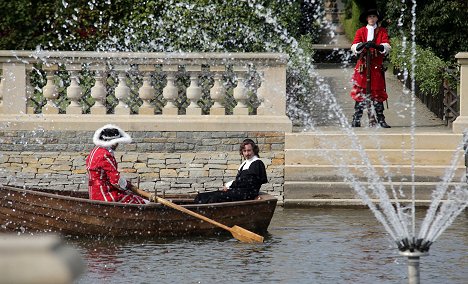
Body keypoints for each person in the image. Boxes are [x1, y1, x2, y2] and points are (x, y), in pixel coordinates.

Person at [86, 124, 150, 204]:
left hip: (94, 193)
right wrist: (129, 186)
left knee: (131, 195)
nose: (117, 145)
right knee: (141, 202)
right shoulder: (105, 155)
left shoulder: (95, 151)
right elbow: (115, 181)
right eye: (117, 142)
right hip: (105, 195)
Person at [350, 8, 391, 128]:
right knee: (359, 92)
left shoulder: (382, 31)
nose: (371, 19)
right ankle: (356, 119)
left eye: (373, 17)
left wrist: (377, 46)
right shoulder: (361, 31)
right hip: (363, 67)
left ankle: (381, 119)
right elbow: (354, 46)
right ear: (367, 19)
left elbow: (387, 46)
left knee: (378, 92)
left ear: (377, 18)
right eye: (369, 17)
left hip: (376, 67)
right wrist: (361, 45)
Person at [194, 139, 268, 204]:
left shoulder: (257, 163)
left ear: (254, 150)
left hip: (247, 194)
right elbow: (240, 182)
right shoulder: (245, 163)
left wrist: (230, 184)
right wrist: (230, 187)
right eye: (244, 151)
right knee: (204, 196)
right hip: (238, 192)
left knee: (214, 197)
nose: (246, 153)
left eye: (249, 150)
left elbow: (248, 183)